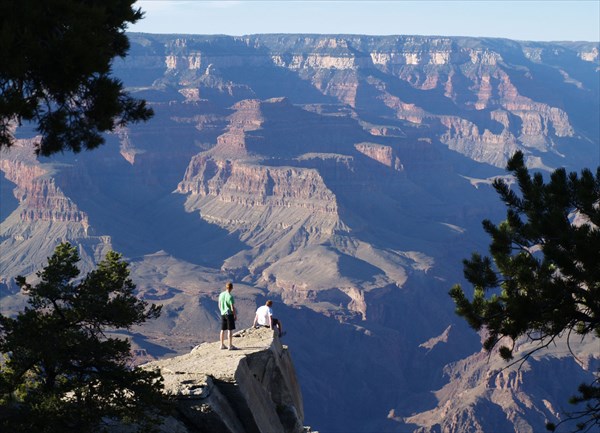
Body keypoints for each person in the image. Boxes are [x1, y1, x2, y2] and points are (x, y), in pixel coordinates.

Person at [218, 282, 237, 350]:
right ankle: (230, 345)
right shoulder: (230, 296)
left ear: (226, 287)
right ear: (231, 288)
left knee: (222, 329)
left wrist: (222, 311)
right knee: (229, 330)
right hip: (229, 314)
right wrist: (235, 315)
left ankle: (222, 345)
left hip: (223, 313)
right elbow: (232, 307)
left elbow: (219, 304)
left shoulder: (221, 294)